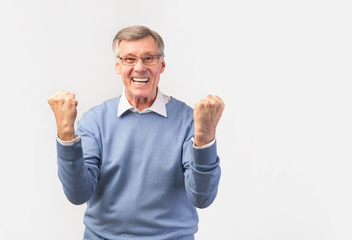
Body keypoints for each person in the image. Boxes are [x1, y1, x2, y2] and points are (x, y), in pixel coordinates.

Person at [48, 25, 225, 240]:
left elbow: (202, 197)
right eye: (129, 59)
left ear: (162, 65)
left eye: (149, 58)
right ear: (118, 66)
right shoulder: (95, 120)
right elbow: (78, 194)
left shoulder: (189, 120)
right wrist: (66, 134)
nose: (139, 67)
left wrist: (205, 140)